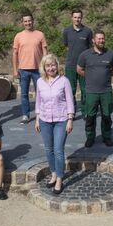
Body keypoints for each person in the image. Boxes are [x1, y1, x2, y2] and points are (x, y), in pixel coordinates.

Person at [34, 54, 74, 194]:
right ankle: (54, 173)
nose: (51, 68)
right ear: (44, 68)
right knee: (48, 149)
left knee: (58, 150)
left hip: (61, 120)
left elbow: (70, 101)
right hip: (44, 119)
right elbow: (38, 101)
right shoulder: (39, 82)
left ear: (57, 66)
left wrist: (70, 119)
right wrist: (37, 118)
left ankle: (59, 179)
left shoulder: (64, 81)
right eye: (48, 66)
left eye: (53, 65)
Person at [77, 29, 113, 147]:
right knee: (90, 117)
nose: (101, 40)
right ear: (93, 40)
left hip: (106, 91)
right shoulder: (85, 55)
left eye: (103, 38)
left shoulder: (110, 54)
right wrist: (90, 76)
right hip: (91, 92)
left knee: (106, 116)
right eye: (99, 38)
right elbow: (79, 69)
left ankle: (106, 137)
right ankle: (90, 137)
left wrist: (106, 75)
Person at [13, 11, 48, 124]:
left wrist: (46, 66)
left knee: (41, 93)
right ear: (22, 22)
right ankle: (25, 115)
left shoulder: (40, 34)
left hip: (38, 69)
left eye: (29, 20)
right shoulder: (18, 36)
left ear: (33, 21)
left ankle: (41, 114)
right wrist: (15, 69)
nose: (28, 23)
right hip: (23, 69)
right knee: (24, 94)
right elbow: (15, 53)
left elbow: (45, 51)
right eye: (25, 21)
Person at [62, 9, 92, 114]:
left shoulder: (88, 31)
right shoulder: (66, 31)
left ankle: (85, 111)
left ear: (81, 18)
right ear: (72, 18)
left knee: (85, 90)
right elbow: (66, 46)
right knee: (70, 91)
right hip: (70, 65)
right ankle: (71, 111)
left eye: (79, 17)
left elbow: (90, 48)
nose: (77, 19)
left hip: (84, 66)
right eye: (75, 17)